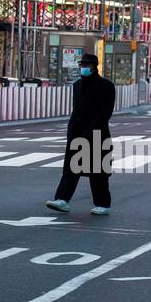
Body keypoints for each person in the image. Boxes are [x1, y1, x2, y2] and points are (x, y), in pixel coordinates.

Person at [46, 53, 115, 216]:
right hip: (76, 134)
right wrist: (72, 131)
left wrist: (90, 131)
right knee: (70, 169)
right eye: (82, 65)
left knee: (98, 172)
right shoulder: (77, 85)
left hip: (98, 134)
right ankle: (62, 199)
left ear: (94, 66)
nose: (83, 67)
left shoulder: (107, 86)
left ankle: (103, 203)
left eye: (87, 65)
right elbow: (76, 111)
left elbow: (106, 113)